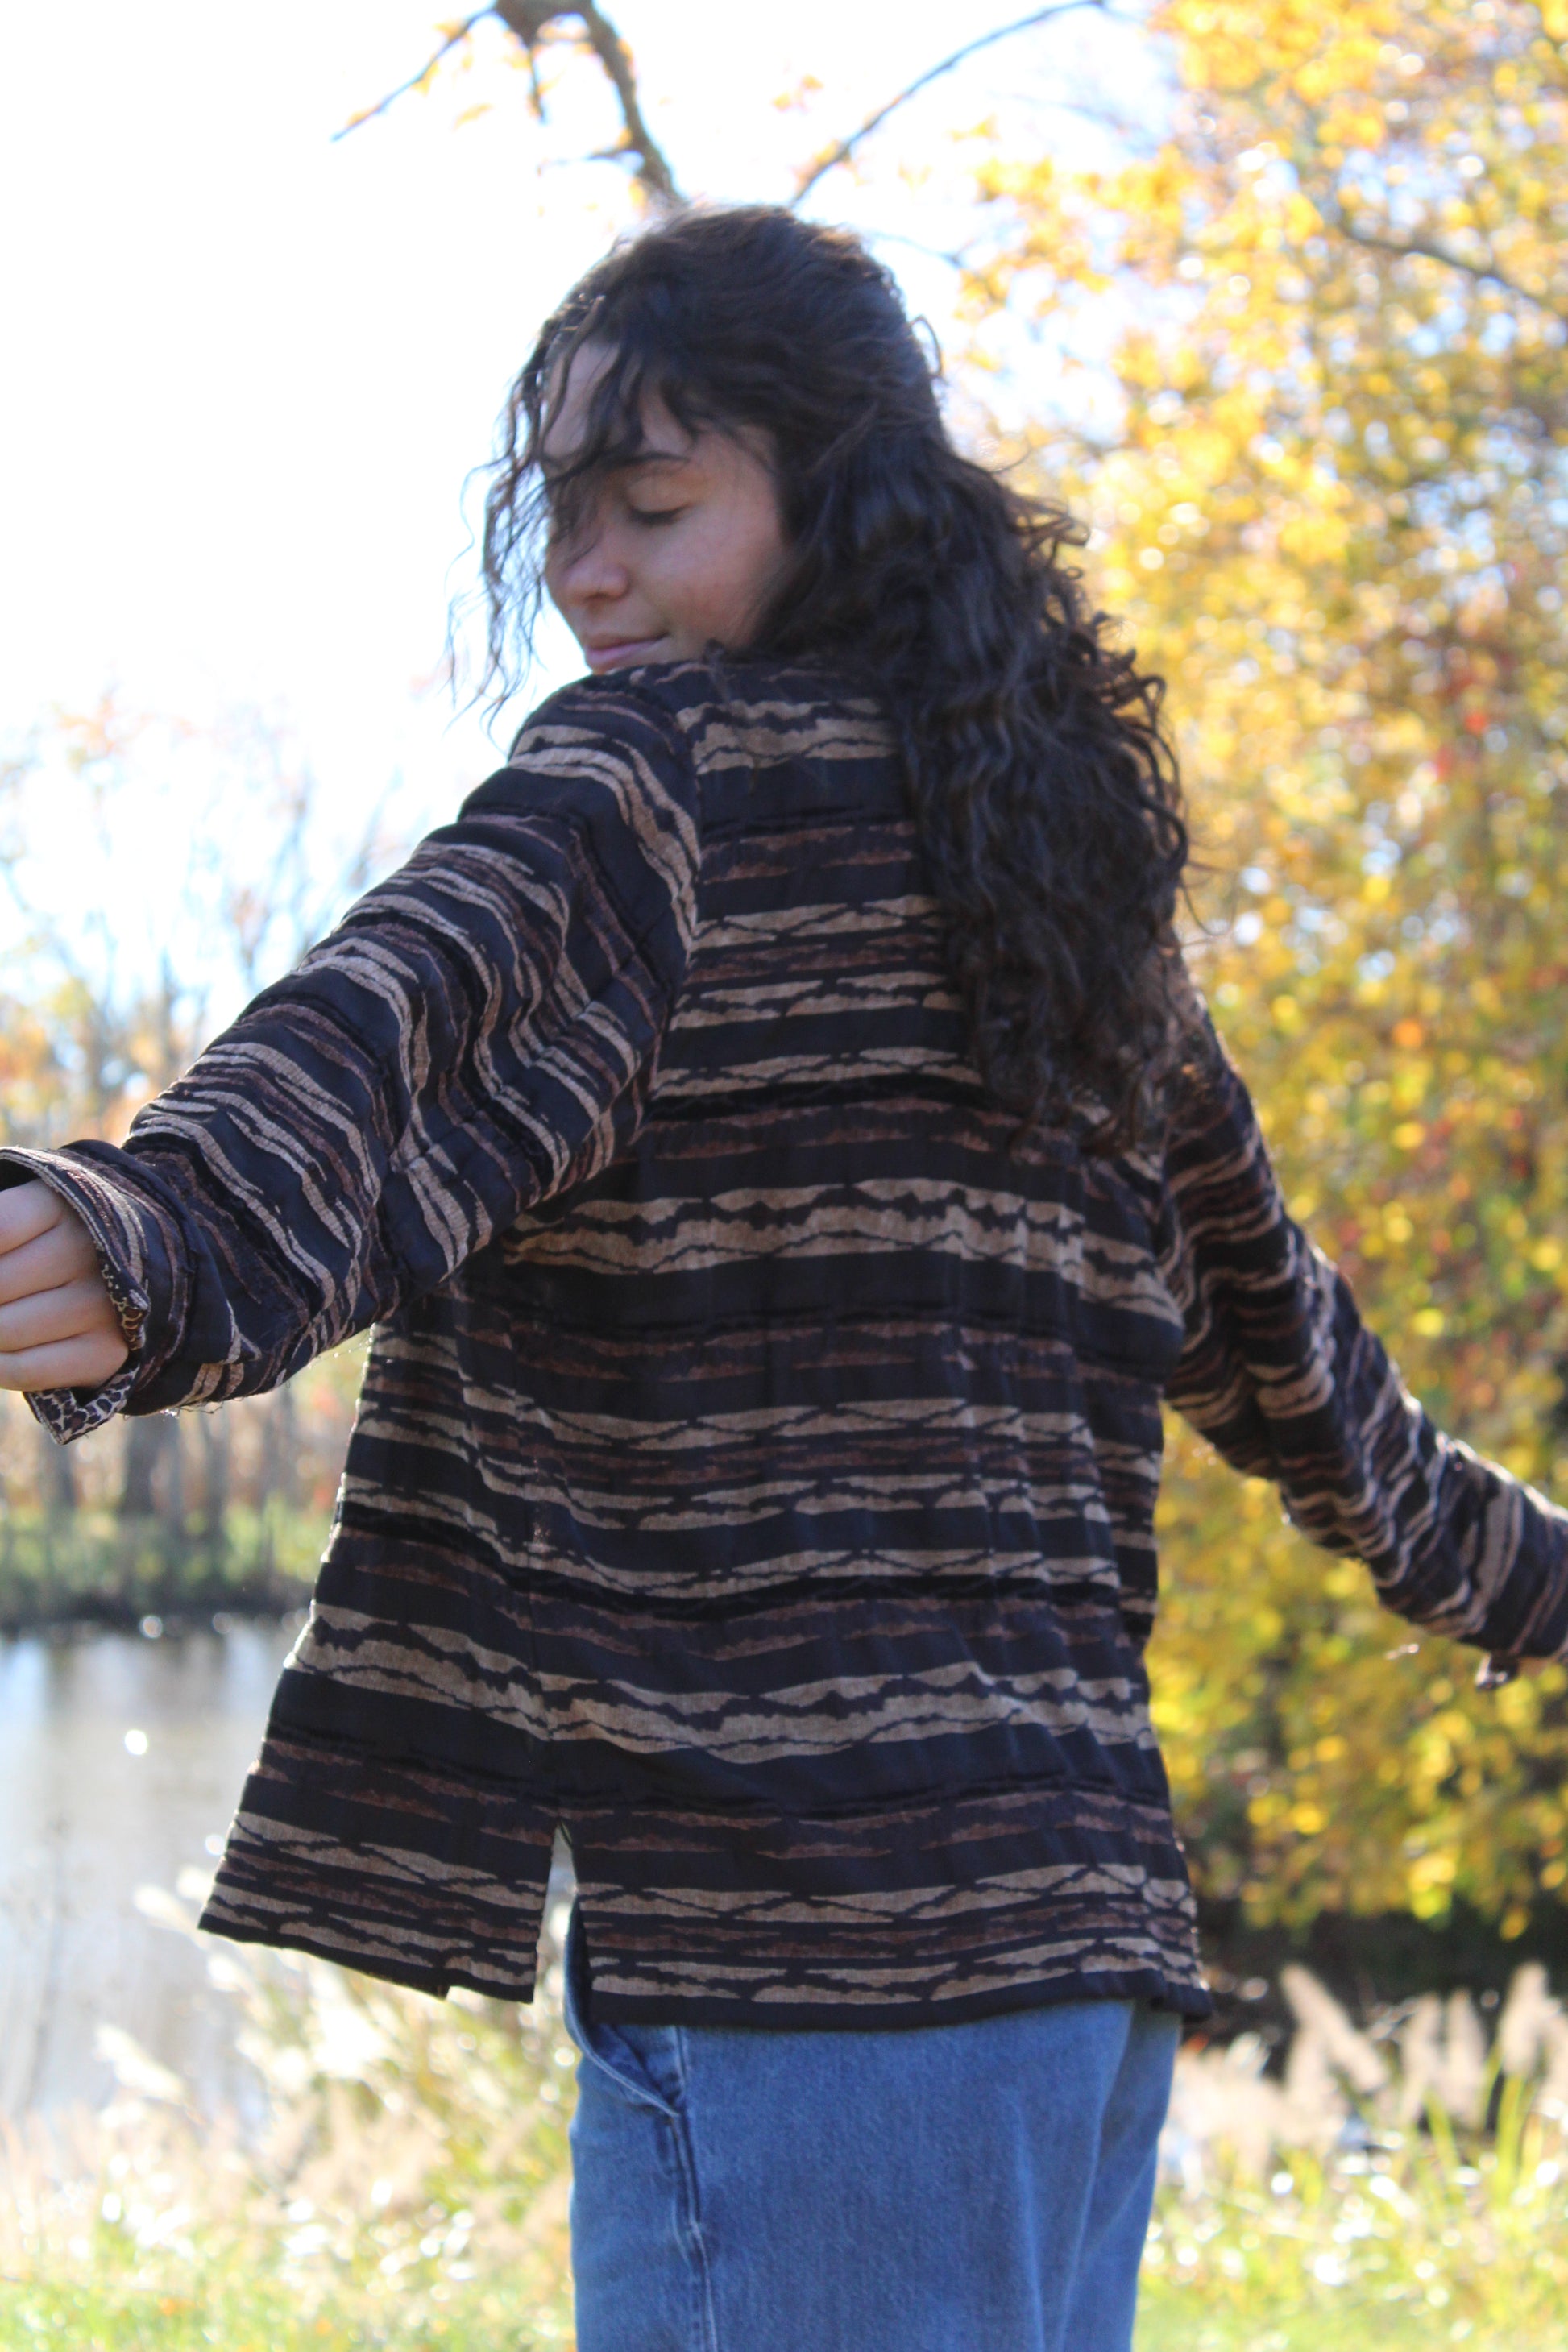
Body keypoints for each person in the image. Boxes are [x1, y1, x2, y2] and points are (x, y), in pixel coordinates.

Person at [0, 204, 1562, 2352]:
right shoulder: (1073, 905)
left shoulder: (655, 795)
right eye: (561, 513)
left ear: (839, 499)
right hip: (1078, 1964)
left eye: (651, 507)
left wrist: (143, 1236)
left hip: (807, 1971)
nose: (586, 573)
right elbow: (1311, 1386)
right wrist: (1533, 1581)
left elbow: (385, 1038)